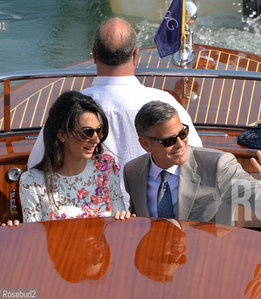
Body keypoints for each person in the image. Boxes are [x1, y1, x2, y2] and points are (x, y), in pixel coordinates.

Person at [27, 17, 202, 206]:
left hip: (89, 221)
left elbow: (37, 167)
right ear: (136, 55)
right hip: (151, 220)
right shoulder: (166, 103)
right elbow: (196, 163)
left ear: (94, 55)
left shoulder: (70, 109)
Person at [123, 101, 261, 226]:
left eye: (183, 133)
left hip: (207, 262)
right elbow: (138, 220)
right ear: (145, 144)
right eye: (169, 141)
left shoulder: (217, 165)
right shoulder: (133, 171)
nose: (180, 143)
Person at [19, 91, 132, 222]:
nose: (96, 139)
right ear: (62, 135)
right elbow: (34, 237)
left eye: (99, 130)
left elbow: (119, 219)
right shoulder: (32, 181)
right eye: (87, 132)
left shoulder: (106, 166)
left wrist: (124, 217)